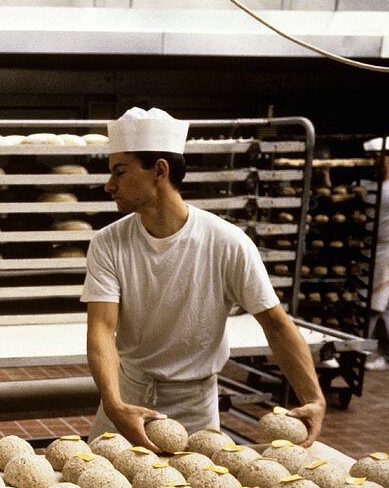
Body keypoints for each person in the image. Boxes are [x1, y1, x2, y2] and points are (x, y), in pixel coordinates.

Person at [82, 107, 326, 450]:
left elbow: (275, 324)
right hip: (127, 399)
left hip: (194, 409)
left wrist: (314, 398)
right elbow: (102, 329)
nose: (110, 185)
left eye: (119, 172)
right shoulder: (108, 243)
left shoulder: (226, 242)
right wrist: (113, 402)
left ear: (159, 171)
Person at [360, 136, 389, 371]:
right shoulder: (371, 186)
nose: (373, 162)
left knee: (373, 305)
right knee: (382, 301)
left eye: (377, 157)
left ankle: (355, 355)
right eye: (370, 157)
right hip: (375, 248)